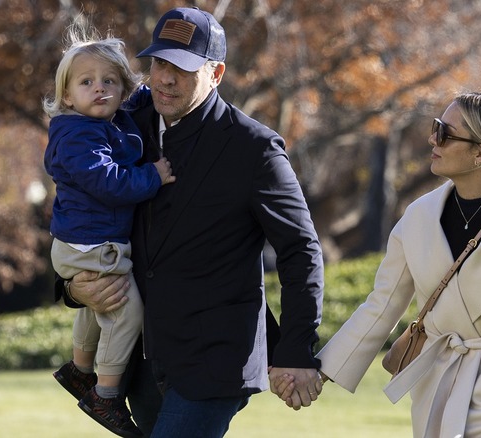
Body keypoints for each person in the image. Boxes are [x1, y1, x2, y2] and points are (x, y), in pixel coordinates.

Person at [54, 7, 325, 437]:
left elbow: (300, 252)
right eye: (159, 63)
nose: (164, 78)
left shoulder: (255, 150)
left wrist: (296, 351)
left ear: (215, 73)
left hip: (215, 362)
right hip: (141, 362)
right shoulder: (125, 126)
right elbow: (84, 211)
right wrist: (72, 288)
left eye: (181, 68)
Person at [273, 92, 481, 437]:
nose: (433, 139)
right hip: (435, 384)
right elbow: (382, 306)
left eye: (446, 134)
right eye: (436, 128)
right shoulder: (418, 217)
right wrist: (319, 371)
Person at [43, 21, 176, 438]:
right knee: (124, 309)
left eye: (109, 81)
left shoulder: (108, 120)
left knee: (95, 305)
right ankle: (105, 393)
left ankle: (80, 370)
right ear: (67, 95)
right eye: (86, 82)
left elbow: (135, 92)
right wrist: (153, 176)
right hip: (91, 244)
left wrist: (141, 86)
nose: (99, 88)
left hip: (85, 242)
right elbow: (110, 182)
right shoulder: (78, 134)